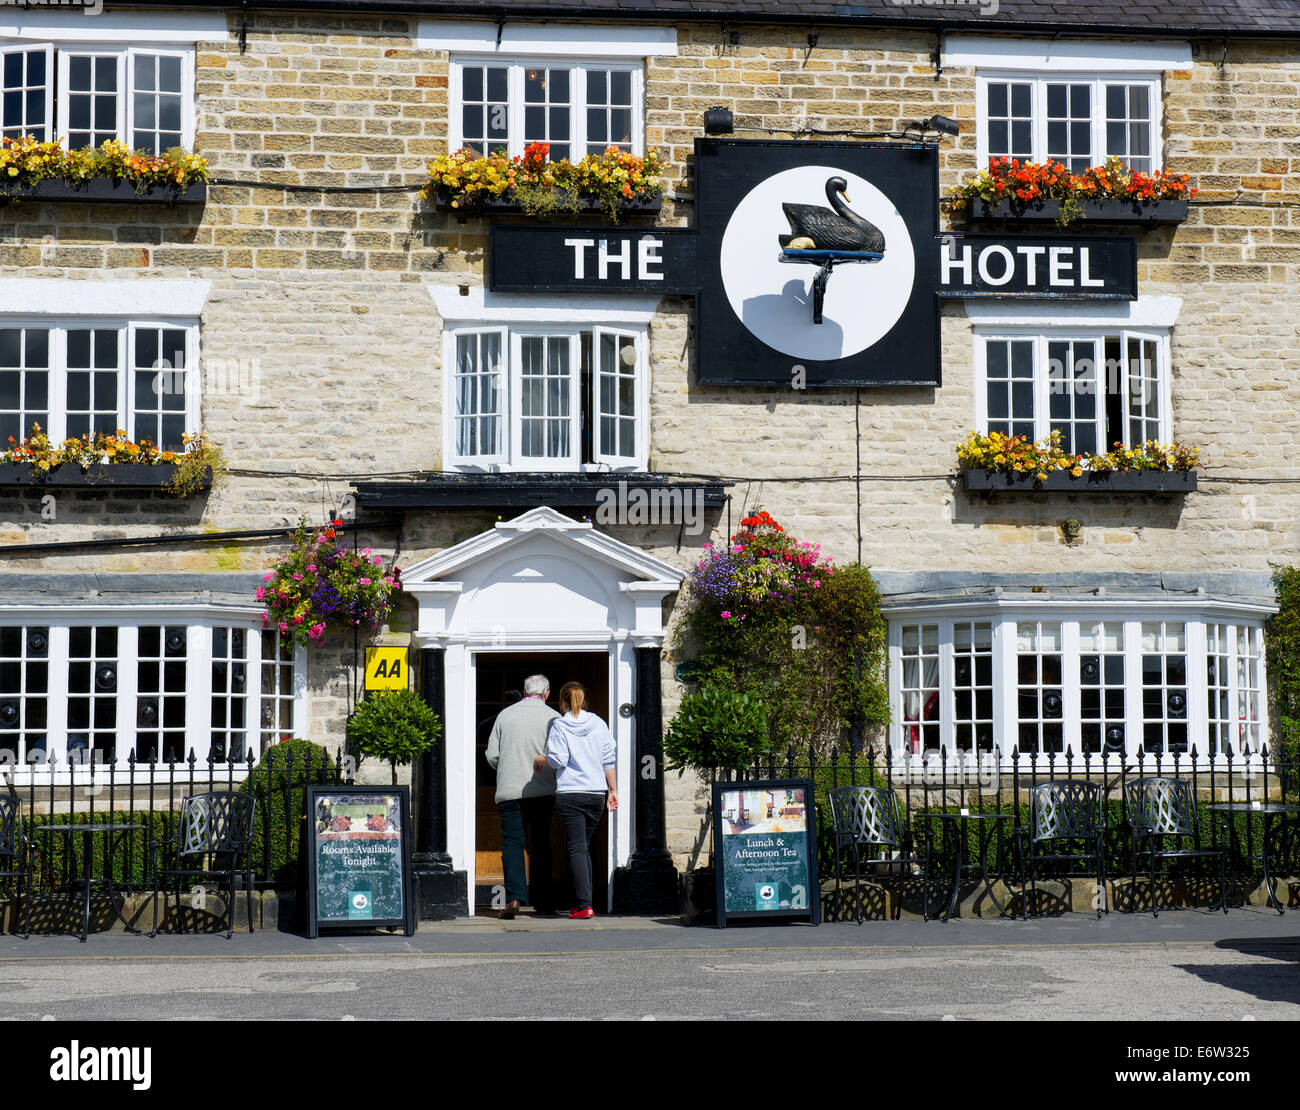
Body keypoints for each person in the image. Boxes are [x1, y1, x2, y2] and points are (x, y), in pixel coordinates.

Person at [534, 681, 618, 920]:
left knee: (577, 848)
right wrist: (613, 789)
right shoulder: (599, 723)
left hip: (571, 793)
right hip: (595, 792)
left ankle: (584, 904)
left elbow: (558, 759)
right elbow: (608, 758)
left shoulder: (560, 725)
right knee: (583, 848)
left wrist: (540, 759)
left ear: (562, 703)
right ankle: (582, 902)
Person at [485, 673, 558, 919]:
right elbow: (558, 757)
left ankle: (514, 897)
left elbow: (492, 756)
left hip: (510, 789)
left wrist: (509, 767)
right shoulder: (554, 717)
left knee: (513, 843)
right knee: (541, 843)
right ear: (547, 694)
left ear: (525, 691)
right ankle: (545, 902)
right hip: (542, 789)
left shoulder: (505, 715)